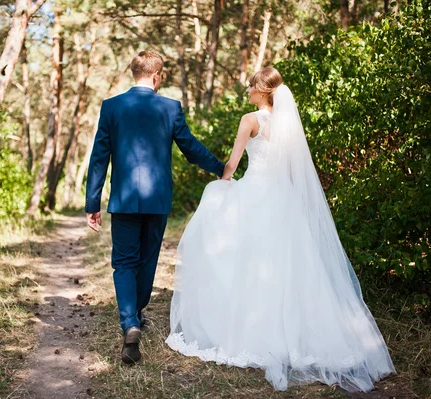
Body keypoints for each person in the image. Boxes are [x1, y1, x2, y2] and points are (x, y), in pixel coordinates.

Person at [166, 67, 396, 392]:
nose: (247, 89)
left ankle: (248, 330)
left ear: (262, 89)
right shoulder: (288, 124)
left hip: (256, 192)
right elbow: (292, 169)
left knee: (243, 256)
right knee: (290, 268)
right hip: (283, 198)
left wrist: (220, 181)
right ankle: (298, 333)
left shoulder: (250, 120)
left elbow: (232, 165)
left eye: (251, 85)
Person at [85, 50, 225, 364]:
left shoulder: (111, 107)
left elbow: (99, 157)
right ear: (157, 75)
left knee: (123, 262)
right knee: (148, 258)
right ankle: (136, 312)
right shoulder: (170, 107)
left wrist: (92, 202)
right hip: (158, 198)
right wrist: (219, 167)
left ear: (133, 73)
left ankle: (130, 321)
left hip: (123, 198)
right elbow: (190, 148)